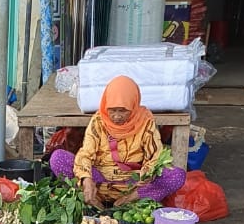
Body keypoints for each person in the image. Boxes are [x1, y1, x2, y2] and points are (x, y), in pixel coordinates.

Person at [49, 76, 186, 208]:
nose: (116, 116)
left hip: (133, 185)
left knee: (177, 175)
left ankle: (129, 201)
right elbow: (86, 153)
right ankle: (94, 200)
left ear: (133, 105)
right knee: (58, 158)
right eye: (112, 110)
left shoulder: (145, 121)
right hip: (100, 181)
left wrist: (145, 177)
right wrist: (86, 179)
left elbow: (155, 157)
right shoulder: (98, 121)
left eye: (123, 111)